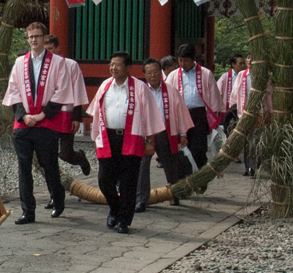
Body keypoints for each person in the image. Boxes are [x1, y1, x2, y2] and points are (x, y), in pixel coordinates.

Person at [2, 22, 79, 224]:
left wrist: (43, 115)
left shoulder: (58, 63)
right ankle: (28, 210)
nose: (34, 40)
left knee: (49, 164)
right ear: (27, 39)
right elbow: (14, 89)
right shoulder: (20, 62)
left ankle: (58, 197)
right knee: (24, 167)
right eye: (30, 36)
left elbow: (61, 91)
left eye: (37, 36)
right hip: (24, 122)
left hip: (46, 121)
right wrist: (23, 115)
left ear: (45, 38)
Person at [87, 52, 165, 235]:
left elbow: (150, 115)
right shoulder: (105, 86)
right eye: (111, 64)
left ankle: (123, 219)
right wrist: (96, 137)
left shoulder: (140, 88)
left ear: (129, 68)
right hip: (108, 137)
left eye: (118, 65)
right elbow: (97, 113)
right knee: (105, 179)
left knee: (129, 181)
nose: (113, 68)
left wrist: (149, 141)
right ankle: (114, 208)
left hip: (131, 137)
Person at [230, 57, 293, 176]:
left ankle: (256, 165)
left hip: (262, 111)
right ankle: (249, 166)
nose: (250, 61)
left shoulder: (267, 76)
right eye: (248, 58)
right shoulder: (242, 75)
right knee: (248, 140)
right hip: (246, 111)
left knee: (257, 139)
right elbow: (235, 93)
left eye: (253, 59)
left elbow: (273, 92)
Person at [135, 58, 193, 212]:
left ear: (160, 72)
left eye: (155, 72)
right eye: (149, 73)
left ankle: (173, 193)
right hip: (147, 133)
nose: (153, 75)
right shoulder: (140, 91)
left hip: (165, 131)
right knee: (143, 164)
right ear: (145, 75)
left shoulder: (171, 90)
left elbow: (180, 112)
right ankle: (141, 198)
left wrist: (183, 134)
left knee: (170, 163)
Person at [165, 43, 223, 170]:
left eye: (186, 60)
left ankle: (200, 174)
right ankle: (185, 175)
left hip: (199, 115)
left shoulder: (205, 73)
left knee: (199, 148)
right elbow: (168, 97)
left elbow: (213, 96)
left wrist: (215, 115)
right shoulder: (173, 75)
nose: (182, 63)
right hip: (181, 115)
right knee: (182, 147)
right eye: (180, 60)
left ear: (193, 60)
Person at [44, 35, 92, 184]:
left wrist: (77, 117)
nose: (48, 53)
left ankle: (79, 157)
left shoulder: (70, 65)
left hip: (66, 112)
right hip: (47, 114)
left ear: (57, 48)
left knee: (65, 153)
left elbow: (78, 90)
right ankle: (55, 191)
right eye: (45, 50)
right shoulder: (41, 67)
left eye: (51, 49)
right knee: (48, 154)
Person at [217, 53, 246, 133]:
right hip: (229, 109)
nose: (243, 65)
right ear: (233, 64)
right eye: (240, 63)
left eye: (243, 63)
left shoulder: (246, 76)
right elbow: (217, 93)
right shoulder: (225, 77)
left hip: (241, 109)